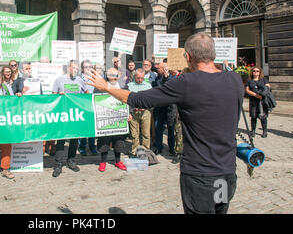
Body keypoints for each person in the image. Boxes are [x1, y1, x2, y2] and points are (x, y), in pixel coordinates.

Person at [86, 33, 243, 214]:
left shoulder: (185, 83)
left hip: (200, 176)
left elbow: (138, 100)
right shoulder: (234, 79)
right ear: (214, 55)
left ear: (188, 57)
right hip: (226, 172)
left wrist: (106, 87)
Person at [51, 60, 88, 177]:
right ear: (68, 68)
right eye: (74, 68)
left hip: (75, 115)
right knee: (61, 140)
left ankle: (71, 161)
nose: (75, 70)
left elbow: (87, 94)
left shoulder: (80, 80)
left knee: (74, 140)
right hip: (63, 115)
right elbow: (52, 97)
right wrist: (59, 96)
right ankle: (58, 164)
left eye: (77, 68)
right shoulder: (59, 80)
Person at [94, 68, 127, 172]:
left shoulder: (123, 86)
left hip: (119, 118)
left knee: (119, 141)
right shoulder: (100, 86)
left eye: (115, 74)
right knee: (104, 141)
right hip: (105, 118)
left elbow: (128, 100)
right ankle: (103, 162)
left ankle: (118, 161)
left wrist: (129, 113)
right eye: (111, 74)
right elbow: (94, 100)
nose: (114, 76)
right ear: (107, 75)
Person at [152, 62, 178, 156]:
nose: (157, 70)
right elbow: (159, 88)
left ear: (164, 69)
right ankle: (159, 147)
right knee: (158, 128)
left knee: (171, 128)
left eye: (158, 69)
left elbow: (170, 88)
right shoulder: (157, 78)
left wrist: (166, 77)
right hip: (159, 107)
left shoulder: (172, 78)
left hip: (170, 107)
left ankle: (172, 148)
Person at [127, 69, 153, 156]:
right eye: (138, 78)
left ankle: (146, 150)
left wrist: (146, 107)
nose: (140, 80)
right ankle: (135, 150)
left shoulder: (148, 86)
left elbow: (151, 100)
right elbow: (127, 100)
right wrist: (130, 111)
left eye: (142, 78)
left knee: (146, 133)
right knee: (134, 134)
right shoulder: (129, 86)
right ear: (135, 77)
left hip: (145, 112)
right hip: (134, 112)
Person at [78, 60, 98, 156]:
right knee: (82, 128)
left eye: (90, 67)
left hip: (92, 106)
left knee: (92, 128)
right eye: (86, 67)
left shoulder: (95, 78)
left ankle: (92, 146)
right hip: (81, 106)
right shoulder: (77, 79)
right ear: (82, 68)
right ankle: (82, 147)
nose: (88, 69)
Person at [245, 67, 271, 138]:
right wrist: (255, 95)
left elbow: (268, 87)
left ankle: (264, 131)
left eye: (257, 71)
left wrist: (262, 94)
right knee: (253, 117)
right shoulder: (249, 80)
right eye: (254, 71)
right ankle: (253, 131)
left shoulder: (264, 80)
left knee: (263, 116)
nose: (255, 72)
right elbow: (247, 90)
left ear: (260, 72)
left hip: (262, 101)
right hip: (253, 101)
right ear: (252, 72)